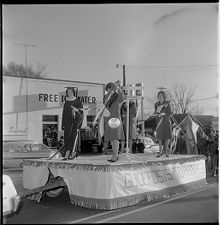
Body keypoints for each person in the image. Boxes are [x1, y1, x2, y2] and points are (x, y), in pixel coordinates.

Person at [103, 82, 125, 162]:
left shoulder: (117, 96)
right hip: (109, 119)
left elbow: (122, 98)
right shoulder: (106, 97)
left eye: (111, 88)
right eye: (108, 88)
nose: (109, 90)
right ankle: (115, 154)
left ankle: (115, 155)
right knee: (111, 138)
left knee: (115, 138)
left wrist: (120, 90)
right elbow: (104, 103)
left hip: (115, 119)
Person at [61, 87, 83, 160]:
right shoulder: (66, 103)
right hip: (67, 123)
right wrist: (63, 124)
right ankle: (67, 154)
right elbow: (64, 114)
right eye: (68, 92)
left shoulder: (78, 102)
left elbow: (81, 113)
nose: (69, 93)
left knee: (73, 138)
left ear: (74, 92)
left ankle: (73, 152)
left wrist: (76, 111)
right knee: (67, 138)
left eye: (70, 92)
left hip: (74, 123)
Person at [154, 90, 172, 157]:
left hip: (166, 121)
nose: (160, 97)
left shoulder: (167, 103)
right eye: (159, 96)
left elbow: (170, 113)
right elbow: (155, 113)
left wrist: (164, 113)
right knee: (160, 137)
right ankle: (160, 152)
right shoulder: (156, 104)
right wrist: (157, 115)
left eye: (161, 95)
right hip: (160, 122)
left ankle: (166, 152)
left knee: (167, 136)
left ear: (164, 96)